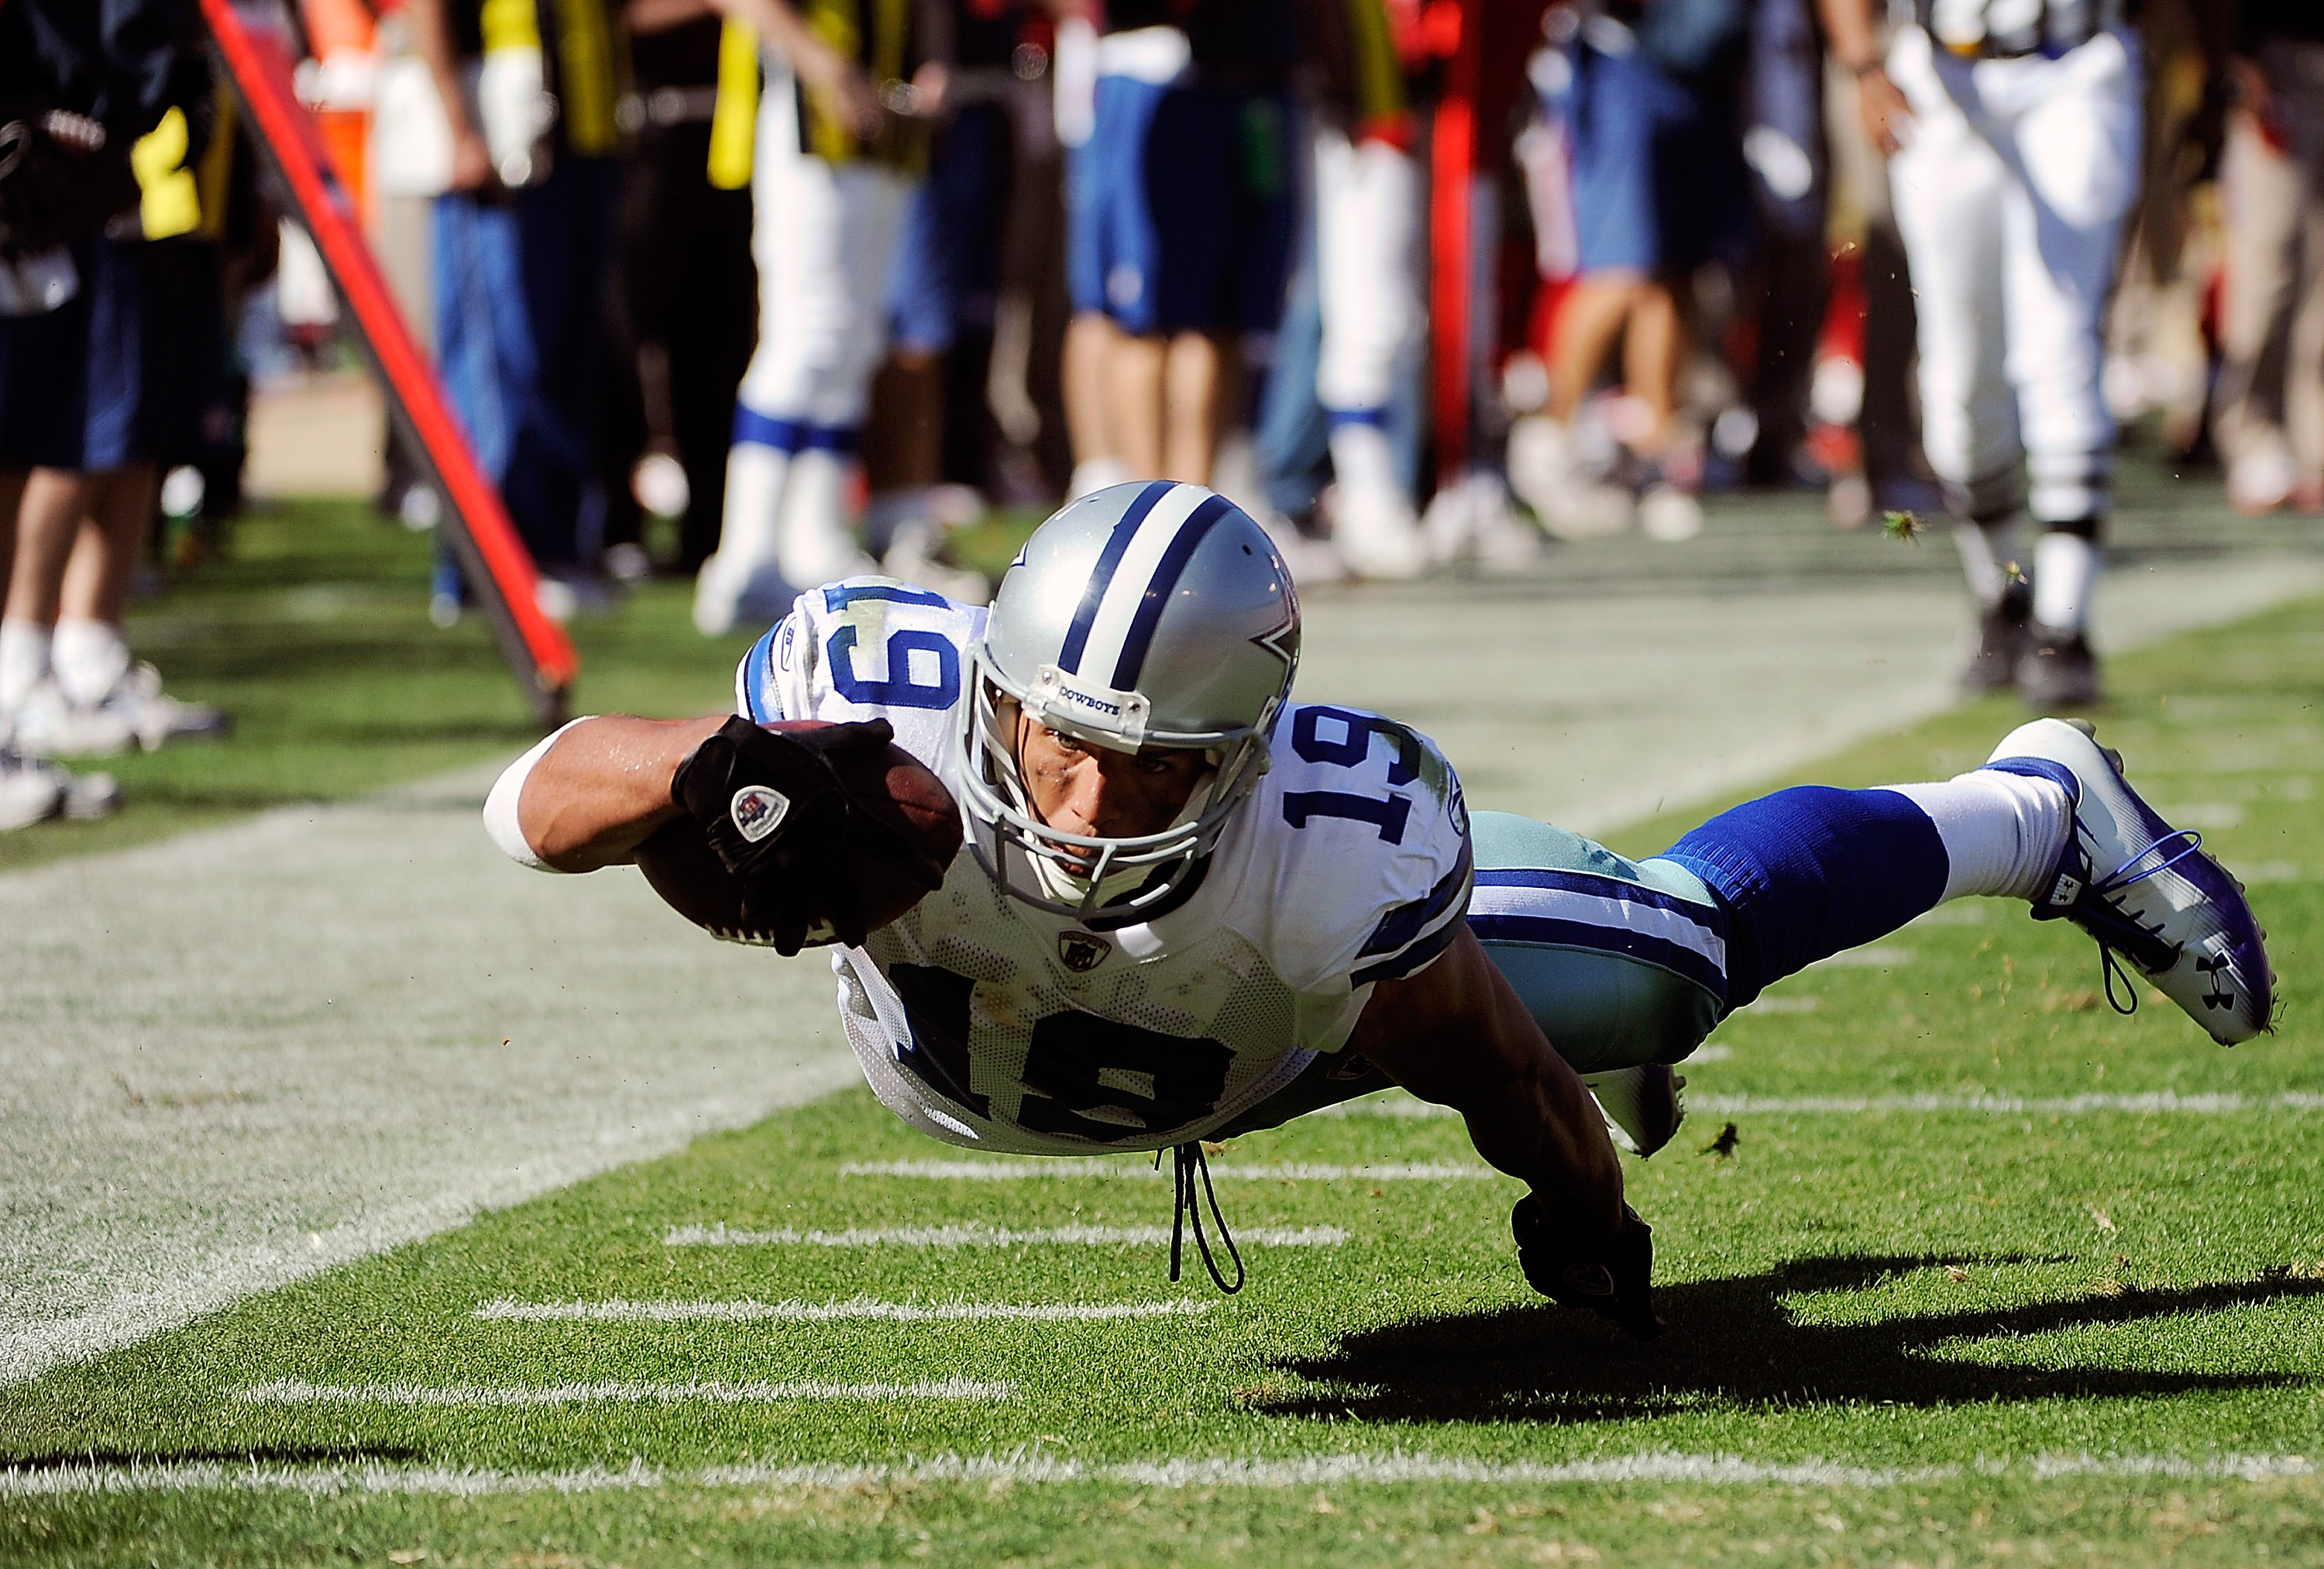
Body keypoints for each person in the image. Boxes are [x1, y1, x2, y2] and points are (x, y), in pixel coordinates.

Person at [484, 481, 2274, 1325]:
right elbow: (536, 801)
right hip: (966, 1062)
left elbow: (1491, 1063)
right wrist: (715, 769)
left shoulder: (1320, 854)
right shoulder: (878, 717)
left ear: (1246, 752)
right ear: (998, 690)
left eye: (1158, 765)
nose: (1090, 801)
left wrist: (1583, 1216)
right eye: (1054, 744)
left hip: (1276, 1043)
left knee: (1659, 969)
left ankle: (2030, 809)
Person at [1819, 0, 2140, 707]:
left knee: (2060, 345)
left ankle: (2066, 626)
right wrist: (1863, 61)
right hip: (1941, 76)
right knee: (1958, 379)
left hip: (2076, 65)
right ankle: (2001, 595)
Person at [2211, 0, 2324, 517]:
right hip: (2280, 61)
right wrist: (2237, 59)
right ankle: (2253, 435)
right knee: (2271, 258)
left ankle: (2314, 442)